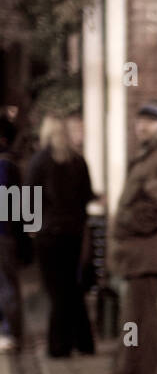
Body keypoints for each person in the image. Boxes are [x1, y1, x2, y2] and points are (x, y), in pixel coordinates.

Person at [75, 102, 157, 374]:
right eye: (139, 121)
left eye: (149, 121)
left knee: (139, 320)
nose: (141, 126)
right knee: (141, 320)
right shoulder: (153, 155)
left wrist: (123, 225)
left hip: (146, 252)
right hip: (142, 253)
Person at [27, 112, 96, 358]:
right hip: (73, 233)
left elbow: (28, 201)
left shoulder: (39, 161)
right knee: (72, 287)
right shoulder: (78, 161)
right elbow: (87, 196)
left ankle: (59, 345)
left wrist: (30, 230)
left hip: (49, 235)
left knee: (57, 290)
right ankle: (84, 341)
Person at [0, 115, 25, 353]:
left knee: (7, 284)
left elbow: (23, 203)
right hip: (6, 233)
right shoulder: (12, 165)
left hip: (4, 233)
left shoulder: (8, 166)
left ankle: (10, 331)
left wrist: (28, 232)